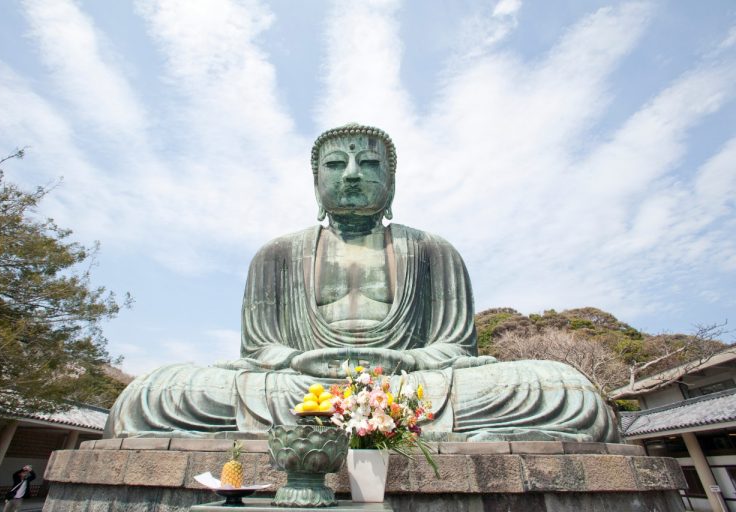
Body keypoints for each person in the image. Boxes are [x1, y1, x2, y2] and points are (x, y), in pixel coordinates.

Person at [104, 123, 618, 442]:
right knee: (152, 394)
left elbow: (456, 347)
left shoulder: (431, 250)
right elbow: (260, 349)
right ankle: (383, 424)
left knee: (563, 389)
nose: (352, 173)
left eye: (369, 163)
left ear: (391, 181)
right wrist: (295, 361)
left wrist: (406, 361)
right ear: (316, 181)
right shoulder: (278, 255)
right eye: (335, 164)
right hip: (297, 389)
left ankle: (387, 419)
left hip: (411, 387)